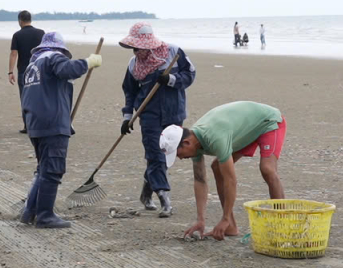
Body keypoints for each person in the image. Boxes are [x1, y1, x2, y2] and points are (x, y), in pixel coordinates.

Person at [159, 101, 286, 240]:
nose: (180, 158)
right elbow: (200, 179)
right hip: (243, 129)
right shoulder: (194, 141)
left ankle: (283, 226)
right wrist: (201, 220)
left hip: (268, 122)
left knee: (267, 169)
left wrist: (223, 218)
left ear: (186, 143)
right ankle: (231, 226)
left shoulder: (214, 137)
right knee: (217, 167)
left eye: (178, 154)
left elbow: (231, 180)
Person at [19, 32, 102, 228]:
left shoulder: (33, 65)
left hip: (35, 123)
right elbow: (68, 69)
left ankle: (30, 210)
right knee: (53, 169)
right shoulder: (53, 58)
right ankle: (45, 215)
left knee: (43, 169)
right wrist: (88, 62)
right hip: (52, 123)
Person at [119, 22, 196, 217]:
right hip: (149, 116)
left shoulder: (173, 53)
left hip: (174, 113)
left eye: (138, 47)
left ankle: (146, 194)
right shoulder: (133, 65)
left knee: (166, 155)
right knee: (155, 154)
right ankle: (164, 198)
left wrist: (171, 80)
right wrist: (127, 117)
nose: (136, 52)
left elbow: (190, 74)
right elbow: (129, 91)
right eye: (133, 48)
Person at [9, 11, 46, 133]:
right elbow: (46, 51)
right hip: (40, 70)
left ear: (20, 20)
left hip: (23, 71)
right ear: (31, 19)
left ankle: (28, 126)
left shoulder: (17, 35)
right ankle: (41, 124)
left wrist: (10, 72)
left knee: (25, 99)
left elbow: (14, 54)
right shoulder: (41, 33)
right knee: (40, 97)